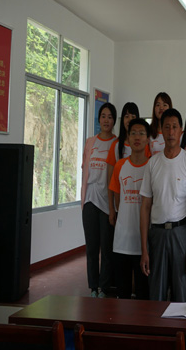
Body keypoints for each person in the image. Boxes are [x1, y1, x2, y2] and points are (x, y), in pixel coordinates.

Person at [140, 108, 186, 302]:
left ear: (181, 130)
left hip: (181, 233)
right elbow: (145, 207)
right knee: (155, 294)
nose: (171, 132)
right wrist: (144, 249)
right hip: (156, 234)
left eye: (175, 127)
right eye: (167, 127)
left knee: (182, 295)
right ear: (161, 131)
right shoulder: (153, 163)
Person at [109, 117, 150, 299]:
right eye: (133, 133)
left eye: (141, 133)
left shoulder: (152, 166)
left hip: (143, 243)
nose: (137, 137)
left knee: (143, 294)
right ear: (128, 138)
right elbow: (118, 201)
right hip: (122, 241)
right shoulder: (120, 166)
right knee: (123, 294)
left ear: (148, 139)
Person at [81, 102, 117, 298]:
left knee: (107, 247)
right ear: (99, 119)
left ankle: (104, 286)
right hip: (89, 200)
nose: (106, 120)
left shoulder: (116, 143)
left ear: (114, 121)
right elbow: (84, 169)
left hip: (107, 202)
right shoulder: (90, 142)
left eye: (110, 117)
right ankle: (93, 287)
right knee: (92, 247)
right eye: (103, 116)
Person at [107, 102, 140, 225]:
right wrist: (112, 209)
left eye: (133, 116)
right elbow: (110, 180)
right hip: (121, 204)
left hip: (139, 203)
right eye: (126, 116)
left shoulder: (144, 145)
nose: (129, 120)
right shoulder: (115, 145)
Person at [149, 92, 172, 157]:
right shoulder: (148, 131)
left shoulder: (175, 132)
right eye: (158, 105)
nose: (161, 108)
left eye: (164, 105)